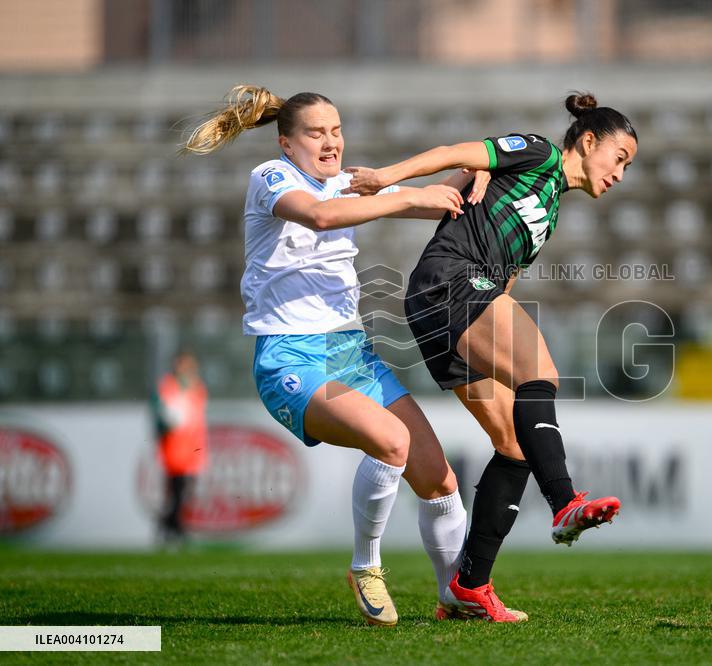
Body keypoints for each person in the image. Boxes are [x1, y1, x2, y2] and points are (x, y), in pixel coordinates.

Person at [181, 84, 506, 626]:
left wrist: (476, 172)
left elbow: (435, 199)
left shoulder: (341, 181)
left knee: (440, 480)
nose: (331, 141)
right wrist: (406, 196)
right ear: (287, 143)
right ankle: (365, 566)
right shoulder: (272, 178)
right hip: (292, 360)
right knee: (390, 440)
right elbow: (321, 217)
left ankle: (457, 596)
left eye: (336, 130)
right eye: (316, 132)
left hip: (352, 353)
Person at [344, 92, 638, 622]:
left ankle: (469, 583)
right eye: (619, 159)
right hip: (450, 283)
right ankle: (565, 501)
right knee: (540, 372)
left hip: (453, 304)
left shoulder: (547, 207)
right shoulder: (540, 153)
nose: (620, 174)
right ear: (588, 141)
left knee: (514, 442)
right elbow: (453, 152)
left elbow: (506, 275)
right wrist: (385, 178)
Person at [151, 350, 208, 547]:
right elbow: (159, 417)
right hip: (174, 449)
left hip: (193, 448)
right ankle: (173, 529)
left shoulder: (197, 387)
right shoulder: (167, 386)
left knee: (185, 493)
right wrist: (165, 425)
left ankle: (171, 528)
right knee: (177, 492)